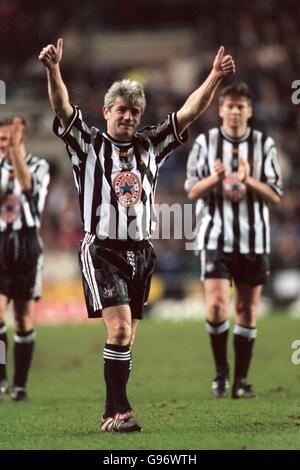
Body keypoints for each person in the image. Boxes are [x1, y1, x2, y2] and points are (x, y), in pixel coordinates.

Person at [39, 38, 235, 432]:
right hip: (102, 249)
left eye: (134, 111)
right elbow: (61, 107)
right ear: (106, 111)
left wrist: (214, 76)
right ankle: (118, 412)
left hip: (142, 252)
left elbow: (189, 113)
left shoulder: (150, 144)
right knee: (121, 329)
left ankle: (112, 413)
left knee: (127, 339)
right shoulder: (88, 144)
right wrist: (53, 70)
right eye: (121, 110)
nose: (128, 117)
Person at [185, 82, 283, 399]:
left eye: (241, 106)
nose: (235, 111)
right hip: (215, 237)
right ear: (221, 109)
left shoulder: (264, 145)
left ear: (250, 111)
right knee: (216, 307)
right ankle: (220, 373)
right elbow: (192, 191)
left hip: (254, 242)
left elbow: (276, 194)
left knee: (246, 311)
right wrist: (215, 178)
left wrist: (247, 179)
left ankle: (241, 381)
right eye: (230, 105)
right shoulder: (205, 143)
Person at [0, 116, 50, 401]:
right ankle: (1, 377)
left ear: (21, 141)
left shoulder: (39, 166)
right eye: (1, 141)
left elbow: (28, 187)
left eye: (9, 140)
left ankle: (20, 385)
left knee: (22, 318)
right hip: (0, 243)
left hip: (28, 245)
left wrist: (15, 158)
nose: (4, 146)